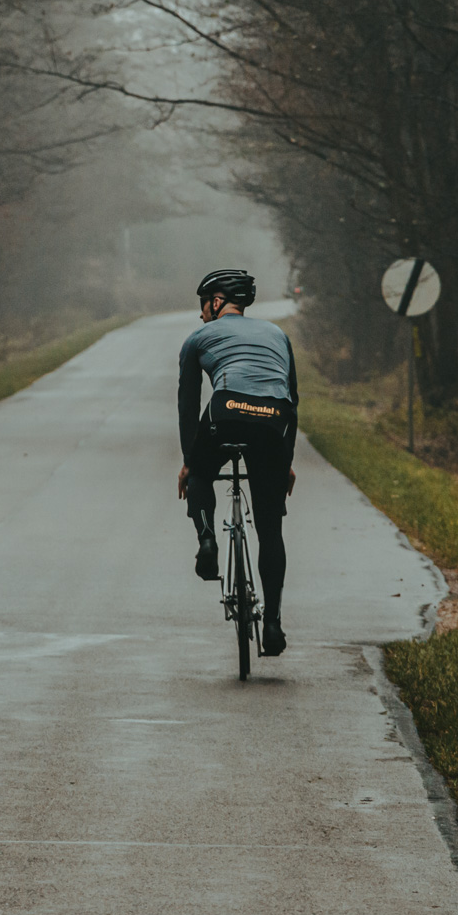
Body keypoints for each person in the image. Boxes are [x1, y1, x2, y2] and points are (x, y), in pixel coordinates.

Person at [177, 268, 297, 657]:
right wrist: (286, 460)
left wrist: (188, 462)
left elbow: (187, 405)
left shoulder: (198, 337)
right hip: (274, 420)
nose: (200, 315)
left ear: (215, 302)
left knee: (201, 470)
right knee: (269, 526)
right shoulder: (278, 335)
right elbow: (292, 401)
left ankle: (208, 540)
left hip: (226, 408)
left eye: (203, 306)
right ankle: (274, 624)